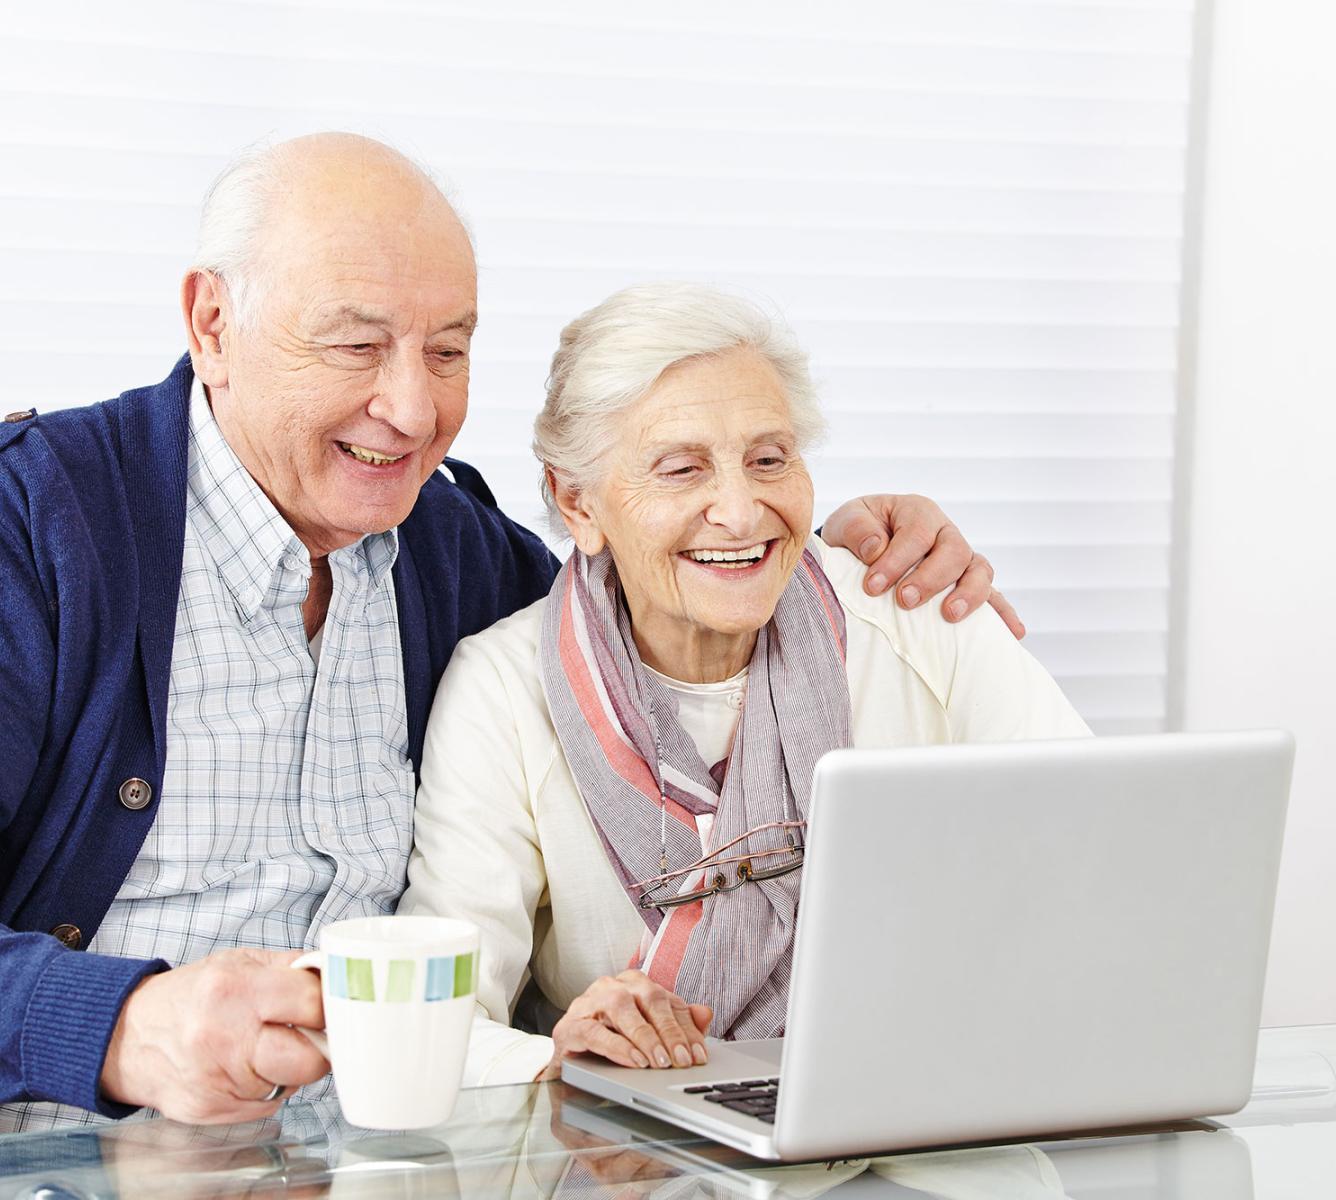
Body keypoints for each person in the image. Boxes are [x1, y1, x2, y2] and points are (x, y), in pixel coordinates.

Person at [0, 134, 1008, 1129]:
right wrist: (118, 1025)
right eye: (356, 345)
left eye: (447, 351)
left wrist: (818, 560)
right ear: (211, 323)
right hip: (75, 1156)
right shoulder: (35, 527)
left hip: (390, 1161)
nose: (411, 408)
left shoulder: (458, 558)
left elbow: (639, 604)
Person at [400, 283, 1090, 1087]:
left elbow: (1100, 864)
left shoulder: (919, 614)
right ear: (576, 501)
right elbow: (436, 1018)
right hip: (635, 1149)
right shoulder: (502, 690)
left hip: (940, 1092)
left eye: (769, 459)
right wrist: (560, 1059)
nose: (739, 509)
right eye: (682, 468)